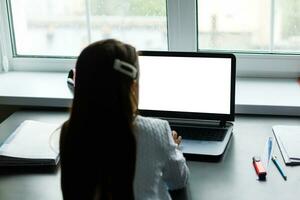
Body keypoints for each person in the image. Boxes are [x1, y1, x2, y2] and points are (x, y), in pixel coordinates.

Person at [59, 39, 189, 200]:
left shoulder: (70, 130)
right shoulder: (157, 131)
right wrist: (172, 148)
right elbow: (178, 181)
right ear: (133, 88)